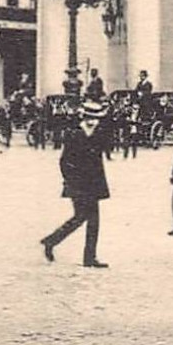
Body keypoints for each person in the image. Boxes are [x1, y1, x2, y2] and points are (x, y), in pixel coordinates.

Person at [40, 98, 111, 268]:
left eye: (96, 117)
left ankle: (89, 257)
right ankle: (51, 241)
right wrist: (70, 180)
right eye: (89, 117)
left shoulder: (99, 133)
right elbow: (64, 161)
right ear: (84, 117)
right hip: (77, 184)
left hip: (94, 183)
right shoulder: (73, 134)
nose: (93, 121)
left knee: (93, 220)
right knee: (81, 217)